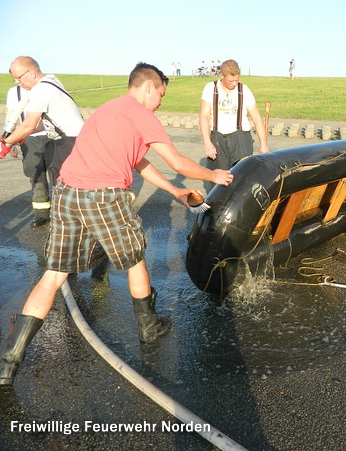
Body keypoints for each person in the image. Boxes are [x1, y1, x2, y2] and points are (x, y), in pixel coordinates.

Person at [0, 62, 234, 386]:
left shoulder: (107, 111)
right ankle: (149, 326)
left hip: (67, 193)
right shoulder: (143, 116)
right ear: (148, 87)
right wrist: (215, 175)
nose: (161, 103)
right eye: (161, 95)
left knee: (54, 275)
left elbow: (138, 161)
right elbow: (178, 161)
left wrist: (175, 190)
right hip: (103, 195)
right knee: (134, 257)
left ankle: (9, 362)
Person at [1, 57, 84, 188]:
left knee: (65, 185)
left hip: (70, 142)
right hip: (66, 141)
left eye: (19, 78)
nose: (18, 82)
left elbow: (28, 125)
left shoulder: (42, 90)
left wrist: (7, 143)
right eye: (15, 79)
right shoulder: (50, 82)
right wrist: (16, 137)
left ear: (32, 73)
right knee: (59, 182)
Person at [199, 59, 270, 180]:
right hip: (217, 138)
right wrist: (207, 142)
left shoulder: (244, 90)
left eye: (237, 80)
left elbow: (257, 118)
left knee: (241, 177)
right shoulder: (210, 88)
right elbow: (204, 116)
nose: (234, 84)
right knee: (217, 179)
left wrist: (263, 144)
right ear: (221, 75)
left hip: (240, 139)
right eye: (230, 81)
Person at [4, 85, 52, 227]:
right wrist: (11, 141)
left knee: (59, 177)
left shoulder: (47, 87)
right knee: (36, 176)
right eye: (15, 78)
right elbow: (11, 115)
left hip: (53, 137)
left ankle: (63, 215)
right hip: (28, 138)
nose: (18, 81)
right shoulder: (14, 92)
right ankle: (42, 215)